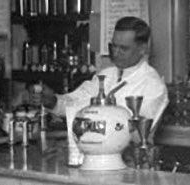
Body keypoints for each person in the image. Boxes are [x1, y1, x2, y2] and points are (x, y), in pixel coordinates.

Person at [30, 16, 169, 143]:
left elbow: (134, 133)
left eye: (123, 48)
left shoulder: (153, 85)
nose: (115, 53)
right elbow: (77, 103)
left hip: (129, 160)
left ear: (142, 49)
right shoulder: (107, 75)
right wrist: (53, 101)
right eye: (113, 46)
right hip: (95, 155)